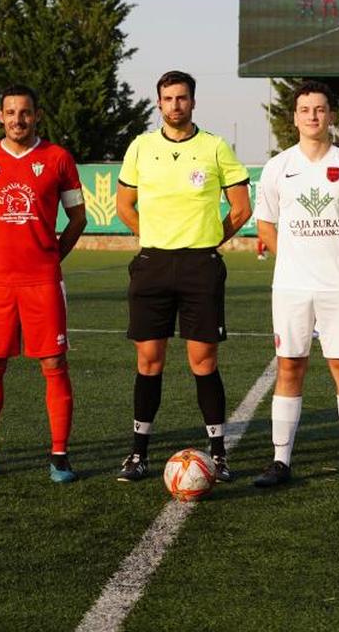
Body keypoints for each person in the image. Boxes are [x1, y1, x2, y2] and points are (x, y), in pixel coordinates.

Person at [115, 70, 252, 482]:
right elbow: (125, 206)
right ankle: (138, 455)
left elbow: (241, 208)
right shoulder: (141, 147)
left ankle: (218, 453)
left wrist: (209, 239)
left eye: (182, 98)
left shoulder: (215, 148)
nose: (175, 105)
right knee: (148, 360)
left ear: (193, 101)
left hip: (200, 266)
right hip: (153, 264)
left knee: (203, 361)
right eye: (168, 98)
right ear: (159, 103)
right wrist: (155, 237)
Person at [0, 86, 87, 484]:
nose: (18, 119)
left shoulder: (58, 158)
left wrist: (49, 255)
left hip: (42, 281)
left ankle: (60, 456)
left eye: (25, 112)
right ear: (0, 116)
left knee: (54, 364)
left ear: (37, 115)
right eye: (11, 112)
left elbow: (77, 218)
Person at [251, 81, 339, 490]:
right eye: (304, 109)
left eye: (320, 109)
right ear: (295, 117)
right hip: (290, 287)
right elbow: (265, 224)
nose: (312, 116)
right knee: (290, 366)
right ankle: (280, 461)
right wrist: (290, 257)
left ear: (331, 115)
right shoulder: (277, 168)